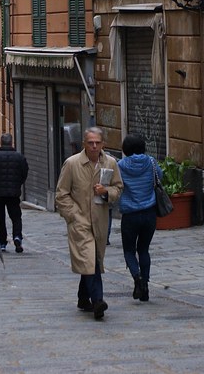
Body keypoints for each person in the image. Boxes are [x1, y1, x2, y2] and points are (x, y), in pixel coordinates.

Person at [54, 126, 122, 320]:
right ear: (84, 143)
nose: (94, 146)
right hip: (80, 220)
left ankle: (83, 298)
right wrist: (73, 215)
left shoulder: (110, 162)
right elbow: (62, 194)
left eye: (97, 143)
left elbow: (118, 188)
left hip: (100, 220)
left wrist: (106, 192)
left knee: (93, 260)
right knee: (90, 259)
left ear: (103, 144)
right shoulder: (72, 163)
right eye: (90, 142)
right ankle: (98, 301)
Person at [117, 134, 162, 302]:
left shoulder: (120, 165)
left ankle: (137, 278)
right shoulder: (151, 162)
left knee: (129, 250)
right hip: (149, 213)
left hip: (130, 215)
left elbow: (116, 184)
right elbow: (160, 177)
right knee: (143, 249)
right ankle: (146, 285)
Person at [0, 132, 29, 252]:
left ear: (1, 142)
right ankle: (17, 236)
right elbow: (24, 172)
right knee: (16, 216)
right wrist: (18, 183)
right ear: (11, 142)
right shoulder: (19, 157)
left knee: (0, 217)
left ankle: (3, 242)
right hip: (13, 192)